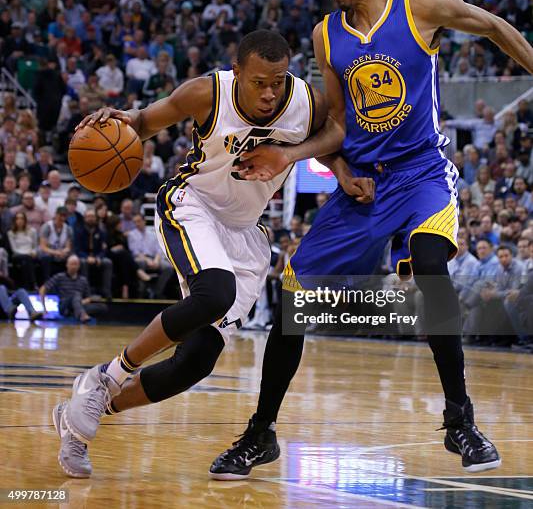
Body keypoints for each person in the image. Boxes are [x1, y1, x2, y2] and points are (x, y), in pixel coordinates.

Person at [211, 0, 533, 478]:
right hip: (365, 184)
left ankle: (461, 421)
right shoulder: (325, 34)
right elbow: (336, 123)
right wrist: (307, 160)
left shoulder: (423, 8)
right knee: (293, 297)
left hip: (422, 174)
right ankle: (261, 433)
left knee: (431, 269)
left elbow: (495, 27)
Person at [52, 30, 345, 479]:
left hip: (246, 234)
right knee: (214, 293)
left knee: (195, 362)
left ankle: (78, 415)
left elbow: (336, 136)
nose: (270, 93)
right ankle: (108, 374)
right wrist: (121, 119)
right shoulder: (207, 92)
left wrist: (317, 164)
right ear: (238, 72)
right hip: (194, 205)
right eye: (260, 82)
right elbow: (144, 122)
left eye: (279, 81)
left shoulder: (308, 101)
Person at [40, 255, 93, 323]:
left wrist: (79, 302)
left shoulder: (83, 280)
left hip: (79, 303)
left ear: (79, 266)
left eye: (75, 264)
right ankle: (82, 315)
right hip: (64, 305)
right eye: (72, 264)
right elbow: (43, 289)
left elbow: (88, 298)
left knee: (101, 307)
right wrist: (44, 308)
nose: (73, 266)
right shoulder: (60, 277)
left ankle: (76, 312)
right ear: (67, 265)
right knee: (75, 295)